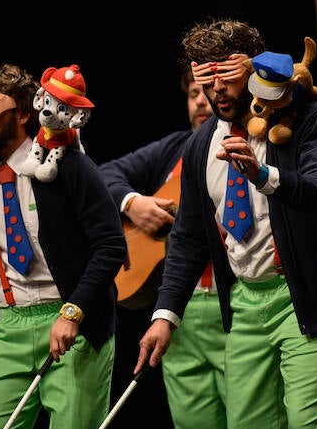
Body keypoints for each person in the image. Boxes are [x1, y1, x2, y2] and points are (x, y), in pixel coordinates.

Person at [135, 19, 317, 428]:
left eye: (226, 76)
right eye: (206, 78)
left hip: (303, 294)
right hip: (245, 301)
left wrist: (264, 176)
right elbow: (187, 238)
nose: (215, 89)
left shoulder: (305, 118)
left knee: (309, 423)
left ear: (253, 69)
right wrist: (164, 316)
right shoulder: (200, 143)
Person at [0, 63, 127, 429]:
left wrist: (74, 311)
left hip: (72, 320)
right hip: (10, 323)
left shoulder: (67, 166)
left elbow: (111, 244)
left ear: (22, 112)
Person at [99, 66, 224, 429]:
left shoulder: (245, 147)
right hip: (177, 312)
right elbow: (105, 174)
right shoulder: (174, 148)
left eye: (207, 91)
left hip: (234, 303)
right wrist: (132, 203)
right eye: (192, 94)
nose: (200, 101)